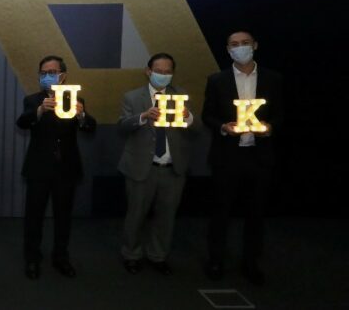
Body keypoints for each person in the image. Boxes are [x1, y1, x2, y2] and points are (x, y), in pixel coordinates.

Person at [202, 31, 284, 285]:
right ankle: (216, 261)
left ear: (255, 46)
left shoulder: (274, 79)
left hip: (259, 156)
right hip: (227, 156)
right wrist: (223, 127)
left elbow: (282, 114)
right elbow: (208, 115)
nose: (240, 48)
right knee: (221, 212)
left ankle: (251, 263)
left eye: (245, 43)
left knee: (256, 213)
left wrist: (271, 127)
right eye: (235, 45)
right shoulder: (217, 80)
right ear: (228, 50)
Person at [16, 55, 97, 279]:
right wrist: (40, 110)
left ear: (63, 75)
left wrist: (81, 114)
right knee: (34, 216)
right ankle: (32, 259)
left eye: (52, 72)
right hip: (39, 167)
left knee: (63, 217)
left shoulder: (76, 99)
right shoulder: (33, 100)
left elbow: (90, 127)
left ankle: (61, 257)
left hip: (67, 167)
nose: (47, 76)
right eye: (43, 73)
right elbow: (22, 122)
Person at [118, 53, 197, 275]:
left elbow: (197, 128)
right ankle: (131, 254)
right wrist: (143, 117)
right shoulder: (132, 97)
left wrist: (188, 117)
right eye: (158, 70)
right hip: (141, 167)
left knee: (166, 216)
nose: (163, 75)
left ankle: (158, 255)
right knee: (136, 215)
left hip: (173, 169)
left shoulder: (181, 95)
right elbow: (122, 126)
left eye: (167, 71)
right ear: (148, 71)